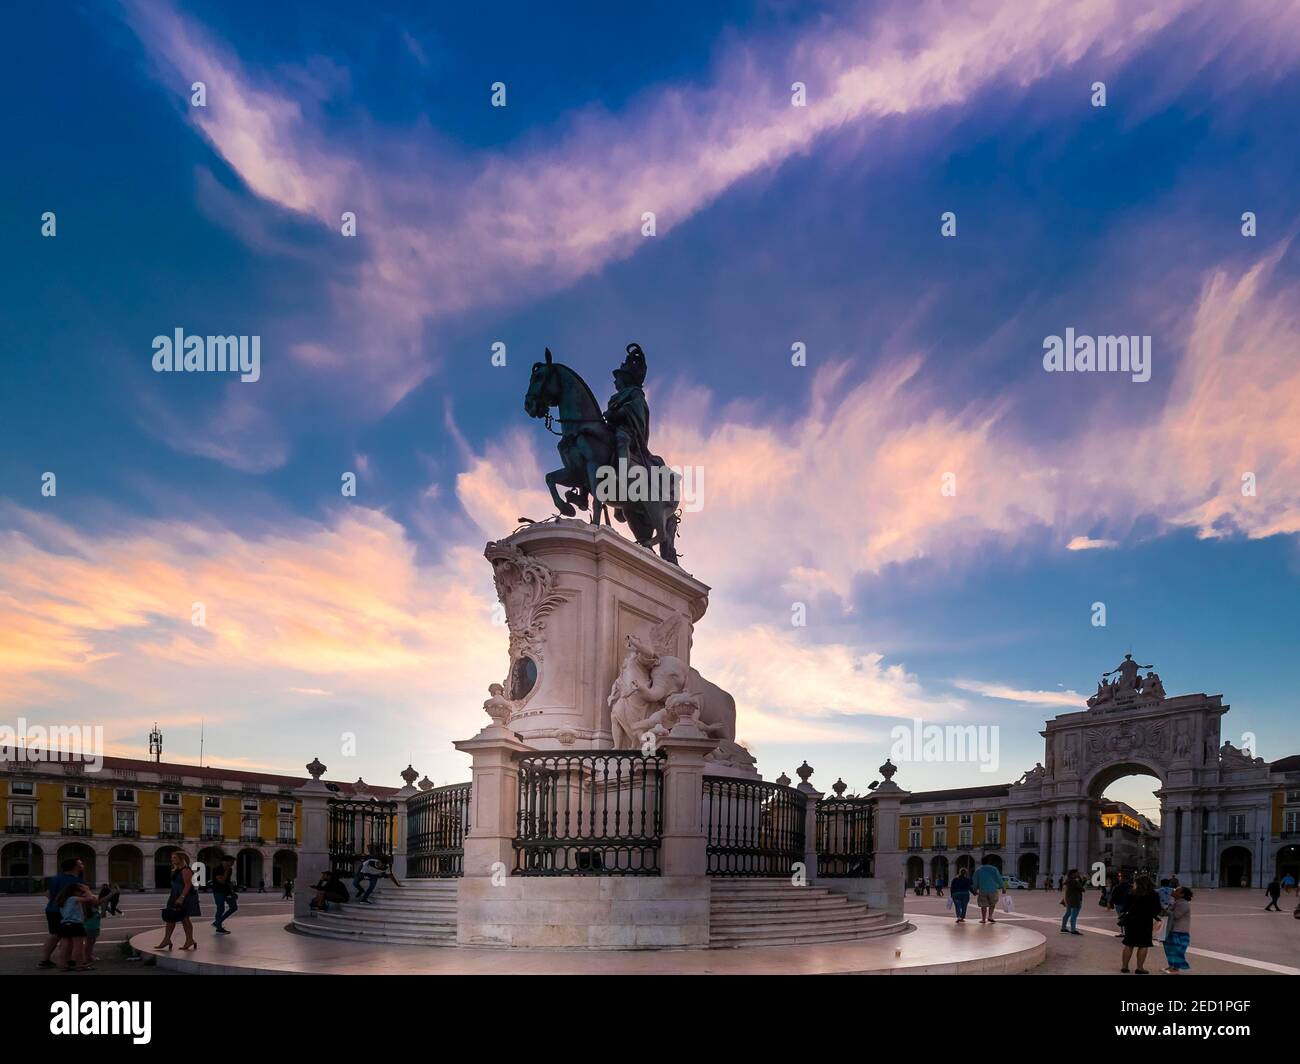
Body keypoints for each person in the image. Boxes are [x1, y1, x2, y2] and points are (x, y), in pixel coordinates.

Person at [38, 856, 84, 969]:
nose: (82, 866)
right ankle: (67, 962)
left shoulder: (55, 878)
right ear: (75, 867)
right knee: (68, 938)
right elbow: (80, 898)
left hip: (51, 909)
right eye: (80, 864)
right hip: (66, 912)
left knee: (54, 935)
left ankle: (45, 960)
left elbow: (48, 894)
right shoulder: (75, 881)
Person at [154, 850, 200, 951]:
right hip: (174, 896)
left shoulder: (186, 870)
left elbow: (188, 885)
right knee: (171, 917)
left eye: (174, 857)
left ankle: (188, 940)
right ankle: (168, 939)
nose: (172, 859)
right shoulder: (176, 870)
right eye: (172, 857)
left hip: (183, 896)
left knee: (184, 919)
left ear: (181, 858)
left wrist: (181, 898)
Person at [1120, 875, 1162, 974]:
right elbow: (1157, 909)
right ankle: (1140, 968)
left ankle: (1124, 967)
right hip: (1145, 921)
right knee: (1143, 944)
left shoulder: (1130, 893)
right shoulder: (1153, 894)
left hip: (1131, 921)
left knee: (1128, 944)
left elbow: (1124, 907)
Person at [55, 882, 96, 971]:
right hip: (75, 924)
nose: (81, 894)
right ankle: (78, 964)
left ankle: (63, 964)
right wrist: (87, 889)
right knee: (78, 946)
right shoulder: (73, 898)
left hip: (64, 925)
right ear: (74, 892)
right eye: (80, 892)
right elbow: (90, 898)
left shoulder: (62, 900)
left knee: (65, 945)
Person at [1162, 887, 1193, 973]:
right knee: (1169, 949)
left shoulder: (1184, 904)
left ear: (1182, 894)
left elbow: (1176, 915)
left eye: (1177, 890)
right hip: (1172, 930)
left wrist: (1167, 910)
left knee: (1176, 950)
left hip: (1179, 931)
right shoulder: (1175, 902)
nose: (1173, 891)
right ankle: (1171, 966)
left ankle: (1175, 968)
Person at [972, 857, 1005, 924]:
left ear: (982, 862)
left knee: (983, 905)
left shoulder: (978, 870)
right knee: (992, 904)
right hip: (993, 889)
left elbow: (975, 881)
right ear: (988, 862)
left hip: (982, 890)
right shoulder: (994, 869)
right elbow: (999, 879)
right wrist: (1003, 887)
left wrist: (974, 890)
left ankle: (983, 919)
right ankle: (990, 916)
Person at [211, 855, 239, 934]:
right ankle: (219, 928)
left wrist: (232, 892)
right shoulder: (217, 869)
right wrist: (226, 871)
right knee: (220, 909)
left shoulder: (230, 869)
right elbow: (222, 881)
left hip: (227, 891)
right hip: (218, 891)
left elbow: (228, 881)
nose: (233, 864)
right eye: (232, 862)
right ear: (225, 861)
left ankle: (217, 922)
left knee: (234, 907)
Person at [1059, 869, 1084, 935]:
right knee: (1074, 915)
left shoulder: (1067, 881)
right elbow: (1082, 889)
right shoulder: (1074, 882)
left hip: (1068, 900)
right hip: (1075, 900)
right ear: (1073, 874)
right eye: (1077, 873)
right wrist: (1081, 880)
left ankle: (1063, 927)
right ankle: (1073, 929)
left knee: (1068, 913)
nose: (1078, 874)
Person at [1108, 871, 1132, 938]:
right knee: (1127, 918)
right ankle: (1127, 932)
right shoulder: (1130, 887)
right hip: (1127, 904)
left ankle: (1123, 932)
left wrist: (1111, 903)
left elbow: (1113, 896)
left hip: (1119, 904)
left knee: (1121, 918)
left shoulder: (1117, 887)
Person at [83, 890, 103, 966]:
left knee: (91, 943)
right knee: (88, 943)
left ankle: (89, 956)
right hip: (89, 928)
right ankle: (86, 957)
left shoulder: (95, 908)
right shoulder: (87, 909)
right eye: (94, 899)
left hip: (95, 928)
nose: (96, 900)